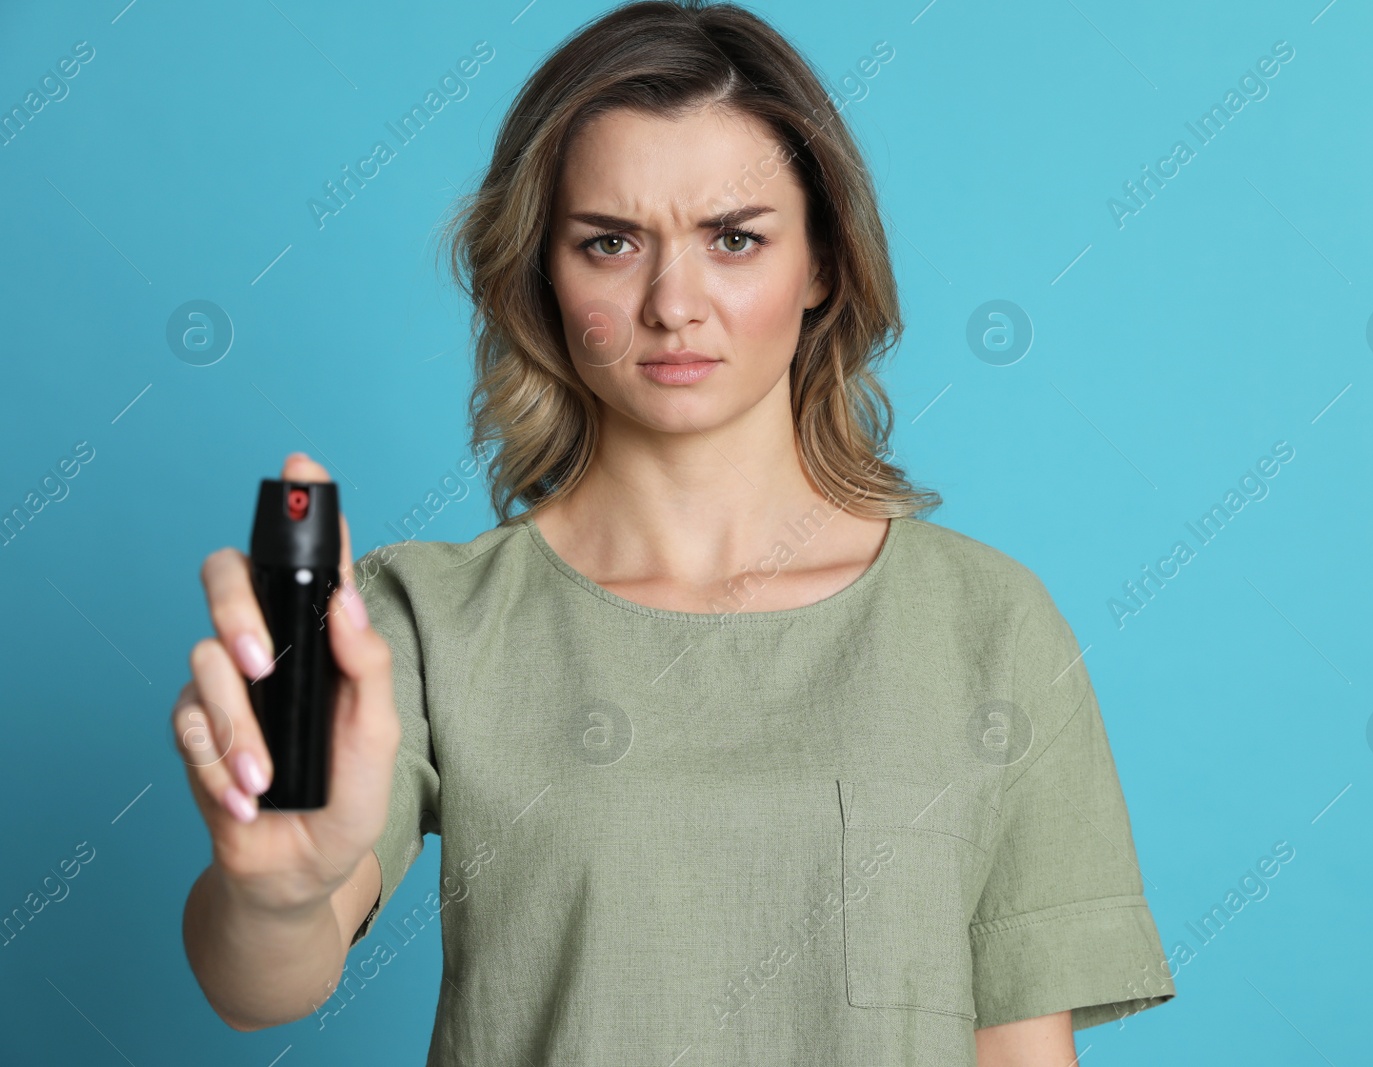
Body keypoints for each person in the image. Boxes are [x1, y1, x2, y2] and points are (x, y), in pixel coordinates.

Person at [174, 2, 1176, 1063]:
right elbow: (261, 986)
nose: (672, 302)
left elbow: (1020, 1049)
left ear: (822, 265)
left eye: (734, 238)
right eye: (609, 242)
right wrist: (271, 893)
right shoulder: (420, 620)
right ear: (543, 275)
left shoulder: (989, 624)